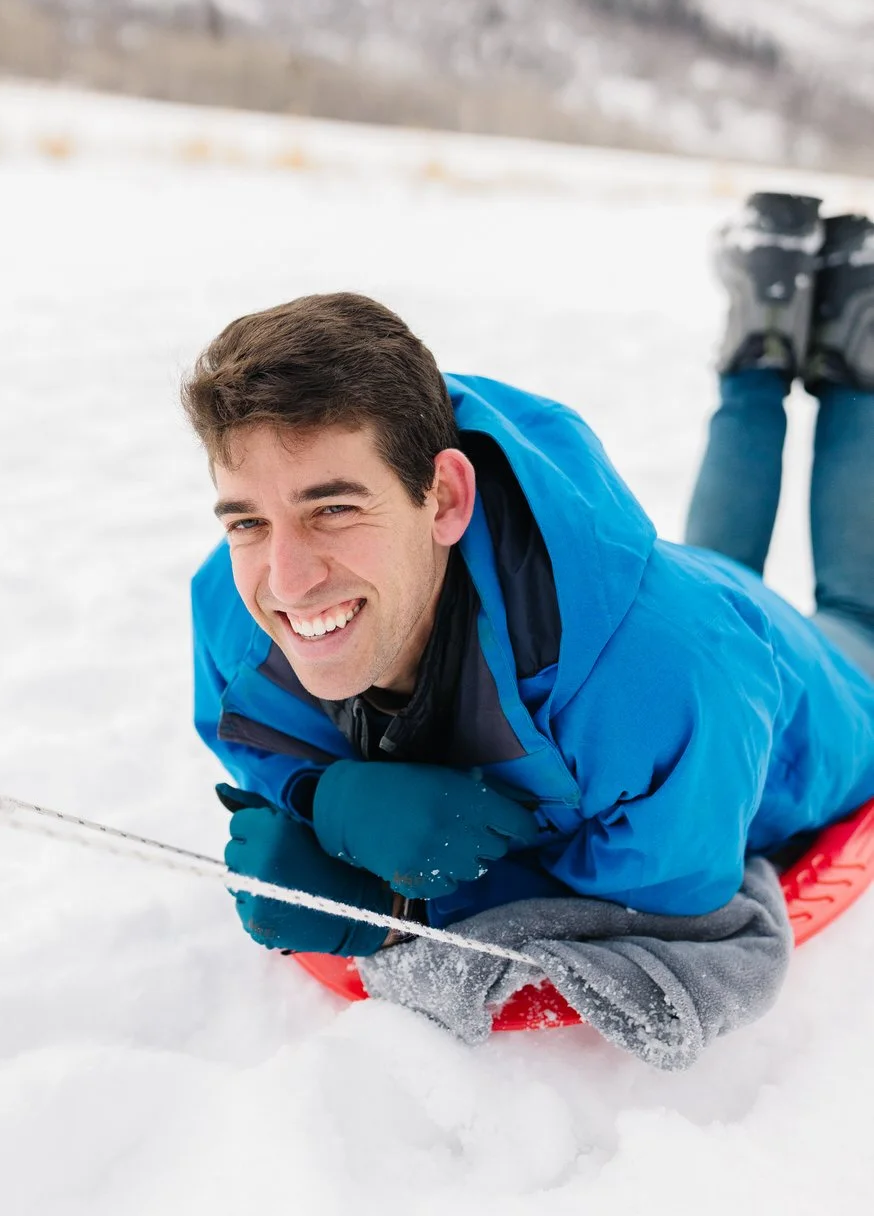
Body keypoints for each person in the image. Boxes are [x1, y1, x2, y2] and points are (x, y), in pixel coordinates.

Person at [183, 192, 874, 961]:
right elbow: (266, 755)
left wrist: (397, 909)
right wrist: (319, 797)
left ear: (444, 497)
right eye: (247, 520)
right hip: (674, 618)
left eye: (334, 510)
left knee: (855, 611)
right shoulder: (234, 614)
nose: (287, 579)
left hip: (797, 687)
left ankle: (858, 327)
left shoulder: (658, 683)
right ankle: (764, 329)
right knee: (712, 582)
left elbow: (661, 906)